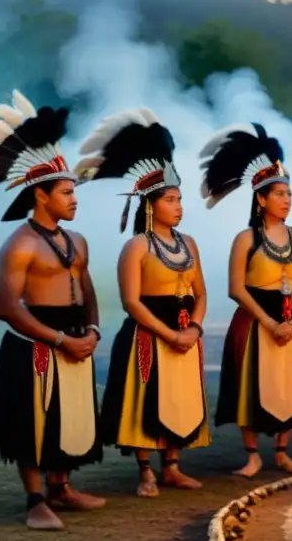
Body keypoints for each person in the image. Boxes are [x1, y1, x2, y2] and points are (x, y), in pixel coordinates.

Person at [0, 90, 104, 530]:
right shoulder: (19, 245)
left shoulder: (77, 241)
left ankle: (61, 487)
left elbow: (87, 291)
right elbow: (6, 307)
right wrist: (61, 340)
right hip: (34, 339)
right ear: (41, 197)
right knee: (32, 421)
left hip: (73, 335)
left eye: (74, 192)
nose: (74, 199)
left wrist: (91, 333)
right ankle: (35, 501)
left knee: (70, 416)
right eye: (66, 192)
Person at [75, 108, 211, 496]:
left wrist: (195, 328)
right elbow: (131, 301)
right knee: (145, 397)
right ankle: (146, 472)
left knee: (180, 398)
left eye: (180, 199)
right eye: (171, 199)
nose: (179, 206)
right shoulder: (135, 247)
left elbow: (201, 292)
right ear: (151, 205)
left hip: (187, 329)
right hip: (149, 332)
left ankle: (172, 466)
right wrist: (169, 333)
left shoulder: (190, 244)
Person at [200, 123, 292, 477]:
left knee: (290, 384)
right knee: (250, 385)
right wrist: (270, 323)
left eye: (289, 194)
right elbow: (236, 289)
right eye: (279, 194)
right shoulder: (245, 239)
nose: (287, 199)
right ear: (261, 199)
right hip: (255, 319)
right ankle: (253, 455)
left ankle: (283, 452)